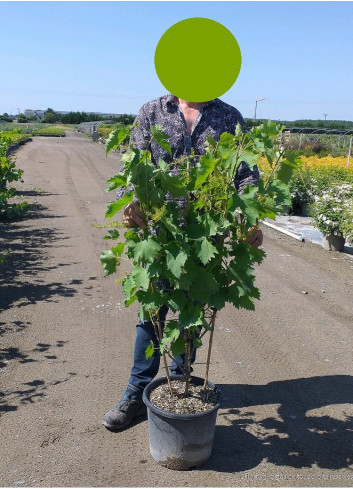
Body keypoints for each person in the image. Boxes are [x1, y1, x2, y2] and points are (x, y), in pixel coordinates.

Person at [102, 93, 263, 430]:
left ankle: (179, 381)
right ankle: (135, 393)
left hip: (207, 234)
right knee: (152, 312)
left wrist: (250, 215)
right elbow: (133, 163)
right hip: (159, 231)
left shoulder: (228, 116)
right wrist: (131, 200)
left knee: (191, 313)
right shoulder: (151, 111)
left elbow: (246, 174)